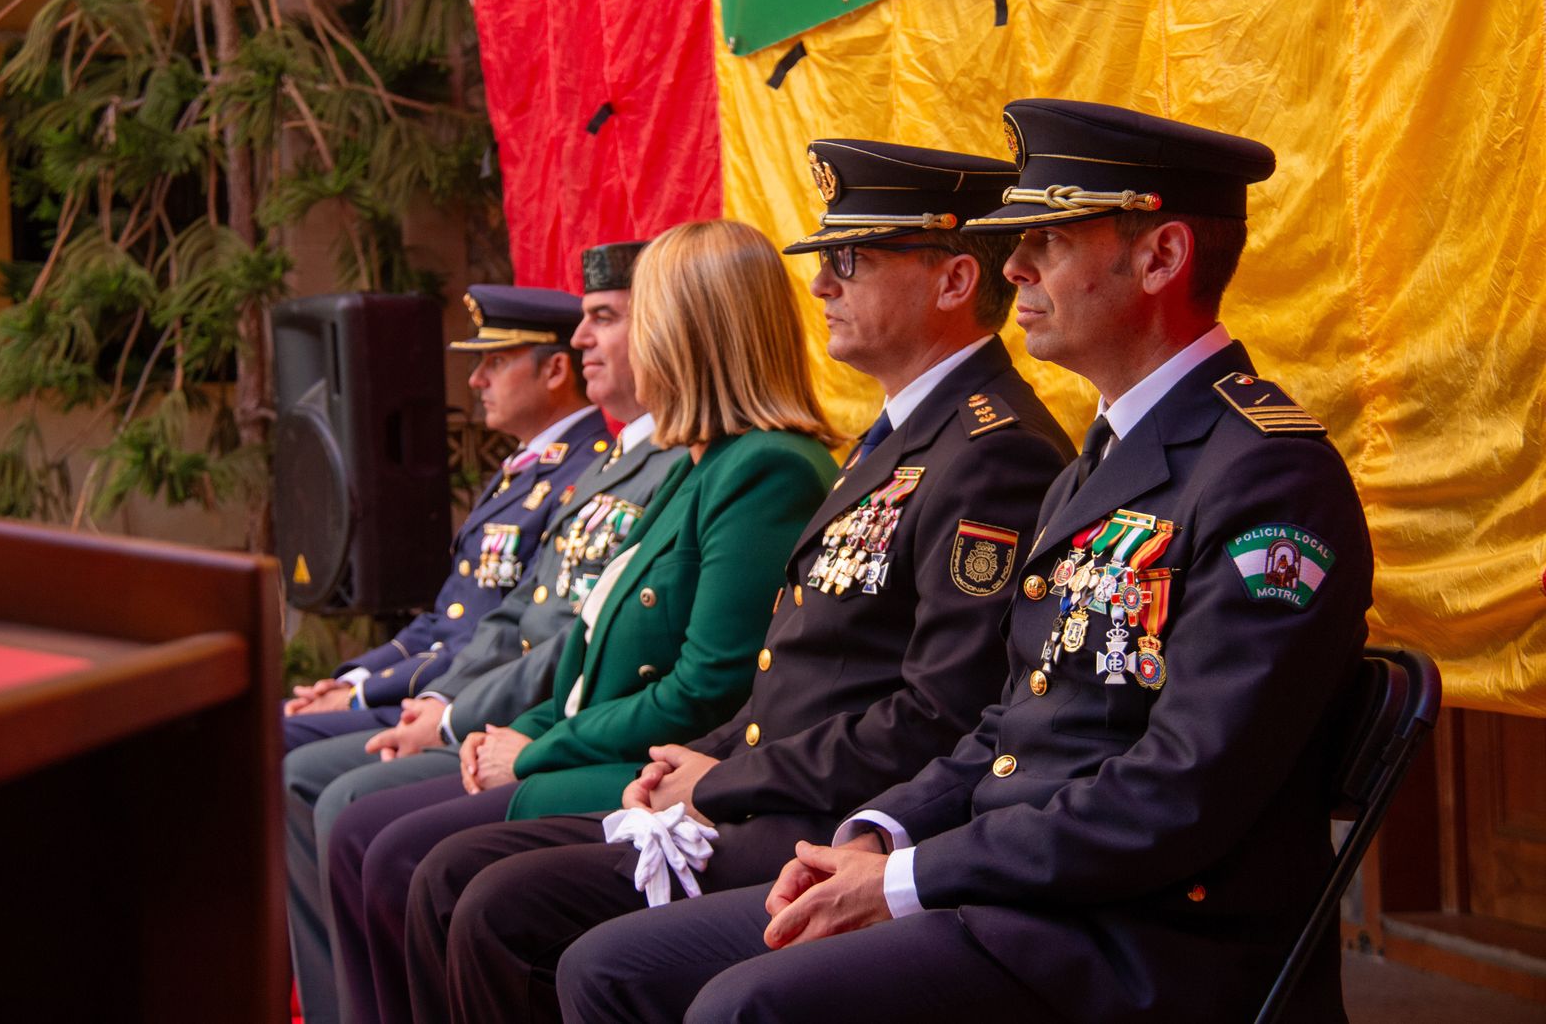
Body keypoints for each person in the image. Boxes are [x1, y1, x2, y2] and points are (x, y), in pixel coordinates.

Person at [555, 99, 1375, 1024]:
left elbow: (1181, 791)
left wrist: (909, 877)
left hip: (1140, 941)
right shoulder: (1103, 460)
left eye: (1051, 240)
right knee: (612, 970)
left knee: (744, 1008)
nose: (1014, 266)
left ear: (1162, 257)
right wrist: (883, 828)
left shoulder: (1265, 473)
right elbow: (1010, 720)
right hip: (1019, 892)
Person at [397, 140, 1076, 1023]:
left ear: (950, 282)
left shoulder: (993, 452)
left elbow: (937, 712)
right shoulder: (899, 438)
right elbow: (794, 677)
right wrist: (708, 757)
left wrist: (719, 781)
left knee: (503, 909)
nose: (823, 286)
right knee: (467, 883)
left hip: (828, 816)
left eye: (850, 260)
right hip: (766, 788)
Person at [322, 218, 841, 1024]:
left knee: (426, 865)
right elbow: (586, 642)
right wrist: (517, 731)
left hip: (656, 765)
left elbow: (708, 685)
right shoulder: (699, 461)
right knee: (392, 847)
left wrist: (534, 751)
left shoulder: (766, 465)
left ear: (695, 330)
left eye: (640, 315)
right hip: (606, 747)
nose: (610, 339)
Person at [284, 242, 690, 1024]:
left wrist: (460, 717)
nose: (582, 339)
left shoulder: (673, 464)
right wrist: (396, 689)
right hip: (521, 711)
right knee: (328, 785)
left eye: (603, 319)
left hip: (590, 734)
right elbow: (489, 616)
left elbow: (582, 642)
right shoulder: (607, 467)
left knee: (351, 806)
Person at [281, 285, 606, 752]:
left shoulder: (583, 473)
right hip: (435, 684)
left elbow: (509, 631)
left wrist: (361, 695)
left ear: (555, 369)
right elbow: (446, 615)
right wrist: (353, 679)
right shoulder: (528, 467)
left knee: (278, 744)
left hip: (476, 701)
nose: (476, 381)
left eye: (495, 362)